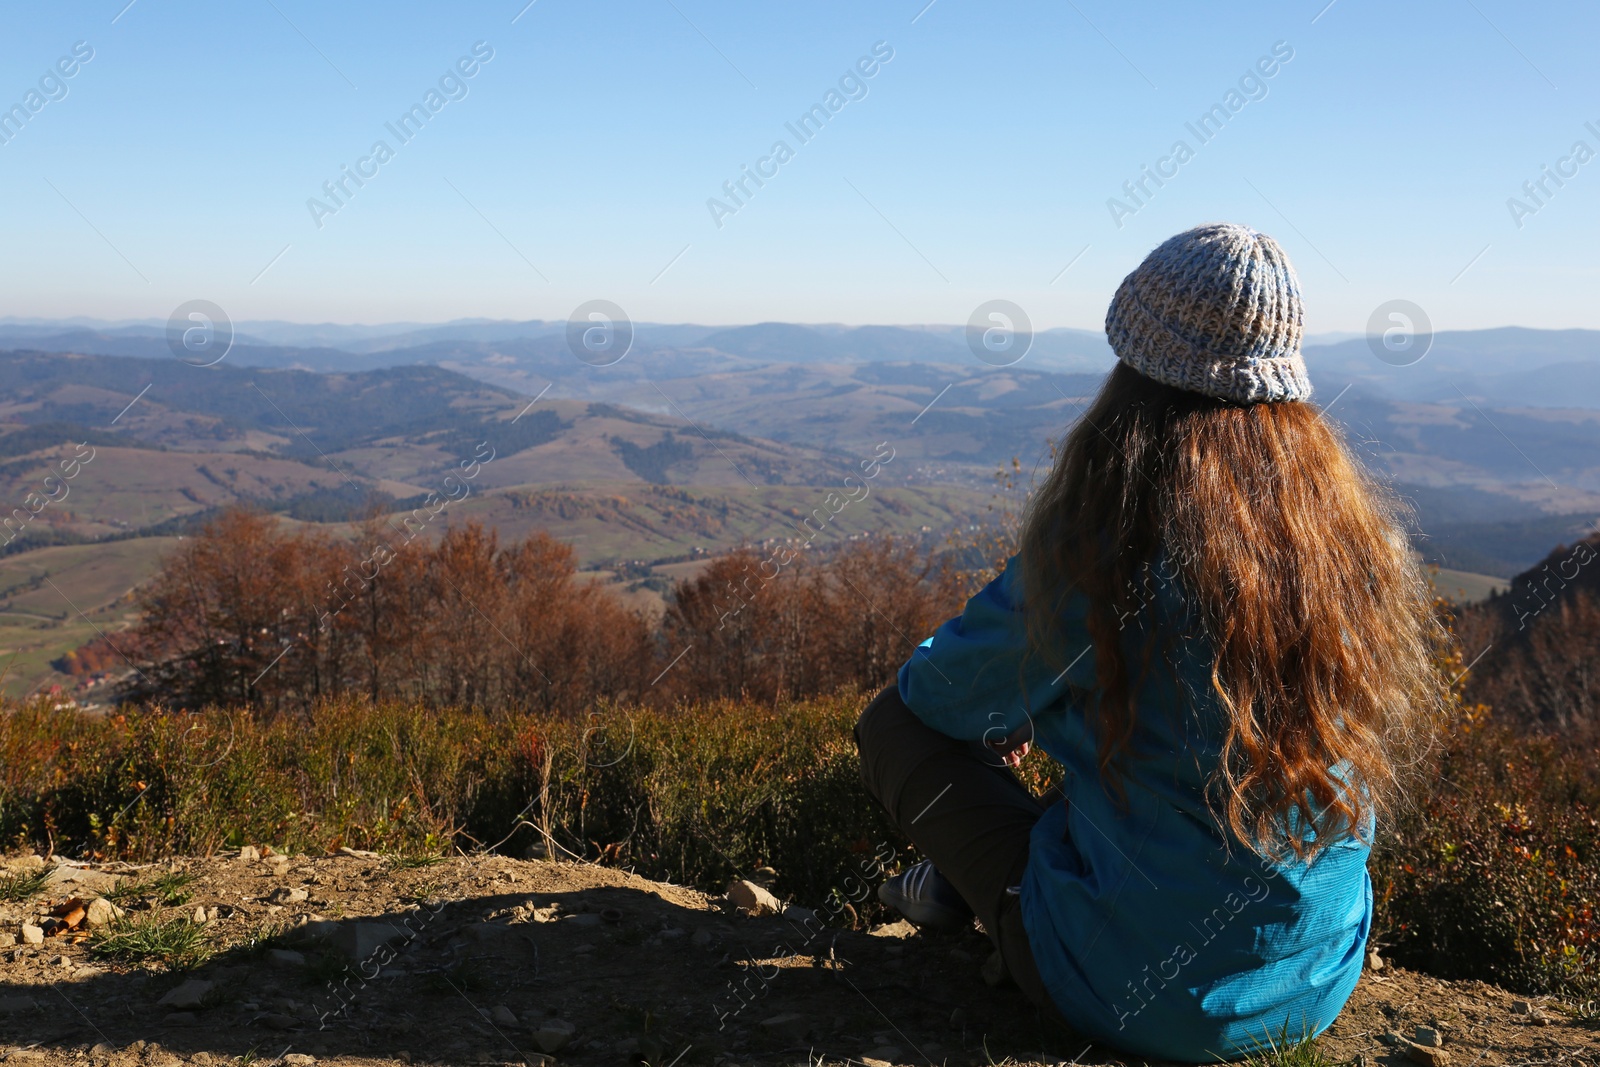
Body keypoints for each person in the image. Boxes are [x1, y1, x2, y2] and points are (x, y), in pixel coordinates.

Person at [855, 223, 1446, 1062]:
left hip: (1128, 995)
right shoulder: (1352, 547)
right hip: (1312, 984)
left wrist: (1025, 701)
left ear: (1135, 370)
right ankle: (973, 891)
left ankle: (988, 899)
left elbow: (937, 694)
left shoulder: (1110, 540)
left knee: (893, 726)